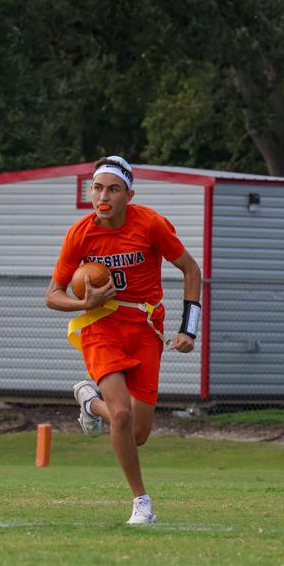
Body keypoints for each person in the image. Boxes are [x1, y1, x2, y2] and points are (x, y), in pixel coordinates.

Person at [45, 155, 202, 525]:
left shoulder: (150, 224)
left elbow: (191, 269)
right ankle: (141, 502)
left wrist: (188, 330)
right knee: (121, 413)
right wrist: (83, 303)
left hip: (145, 328)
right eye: (97, 188)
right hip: (101, 326)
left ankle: (89, 403)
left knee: (138, 433)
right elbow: (53, 295)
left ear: (129, 195)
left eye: (113, 189)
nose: (103, 196)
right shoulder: (80, 234)